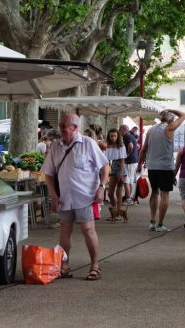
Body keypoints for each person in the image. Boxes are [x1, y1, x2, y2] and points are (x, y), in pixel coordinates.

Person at [42, 113, 109, 281]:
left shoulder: (88, 144)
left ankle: (95, 266)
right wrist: (53, 195)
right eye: (61, 125)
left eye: (66, 126)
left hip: (86, 196)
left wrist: (101, 187)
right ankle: (64, 266)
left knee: (88, 230)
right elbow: (48, 174)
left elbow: (105, 166)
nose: (63, 129)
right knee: (65, 231)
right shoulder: (56, 147)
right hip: (65, 197)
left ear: (75, 128)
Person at [137, 108, 185, 232]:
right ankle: (160, 224)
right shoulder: (169, 128)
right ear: (170, 120)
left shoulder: (150, 130)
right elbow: (184, 115)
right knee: (165, 195)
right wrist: (170, 109)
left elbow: (143, 149)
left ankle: (152, 221)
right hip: (165, 167)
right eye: (173, 120)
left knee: (154, 192)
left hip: (152, 167)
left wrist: (139, 164)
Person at [104, 128, 127, 221]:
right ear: (109, 137)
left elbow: (122, 161)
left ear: (118, 136)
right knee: (110, 193)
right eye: (111, 136)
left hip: (120, 168)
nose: (113, 138)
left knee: (118, 193)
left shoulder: (121, 146)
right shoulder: (107, 146)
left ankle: (118, 214)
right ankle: (115, 211)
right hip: (112, 167)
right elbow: (106, 159)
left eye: (115, 136)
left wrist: (121, 174)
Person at [120, 124, 138, 205]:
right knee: (130, 180)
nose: (119, 132)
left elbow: (131, 146)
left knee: (126, 180)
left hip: (129, 161)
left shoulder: (126, 137)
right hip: (133, 161)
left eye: (120, 130)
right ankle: (129, 197)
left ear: (123, 130)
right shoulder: (131, 136)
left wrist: (127, 154)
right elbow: (137, 146)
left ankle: (128, 199)